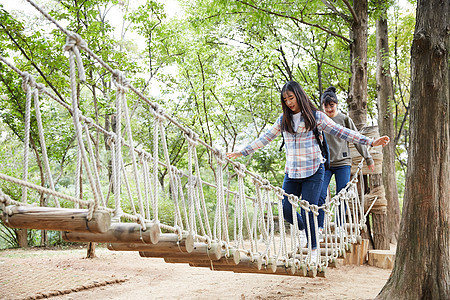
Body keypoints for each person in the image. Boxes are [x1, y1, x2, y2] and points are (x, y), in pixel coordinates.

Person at [226, 81, 390, 263]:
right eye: (285, 99)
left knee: (309, 210)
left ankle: (313, 251)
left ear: (299, 96)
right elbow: (265, 138)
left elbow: (341, 131)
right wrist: (242, 152)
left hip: (314, 171)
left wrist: (370, 142)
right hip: (293, 173)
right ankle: (304, 228)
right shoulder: (283, 120)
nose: (289, 102)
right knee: (286, 209)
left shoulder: (316, 117)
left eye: (291, 98)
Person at [317, 86, 375, 241]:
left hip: (343, 163)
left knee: (341, 195)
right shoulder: (320, 121)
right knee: (320, 195)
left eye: (332, 105)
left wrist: (368, 158)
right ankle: (319, 228)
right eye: (326, 106)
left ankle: (340, 226)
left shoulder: (344, 119)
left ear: (336, 104)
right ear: (322, 106)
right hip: (326, 164)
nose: (329, 109)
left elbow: (356, 138)